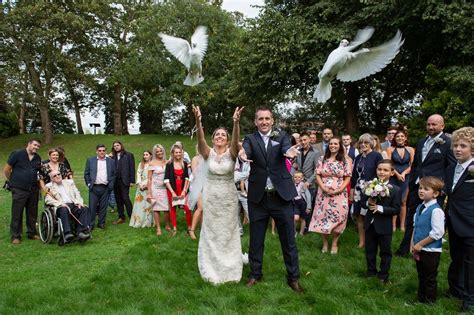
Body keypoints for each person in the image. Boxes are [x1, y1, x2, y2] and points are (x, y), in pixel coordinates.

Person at [241, 106, 303, 293]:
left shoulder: (282, 137)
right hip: (258, 198)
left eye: (267, 118)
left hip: (281, 196)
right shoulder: (251, 139)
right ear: (255, 121)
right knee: (256, 239)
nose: (264, 122)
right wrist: (243, 155)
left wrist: (289, 152)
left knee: (288, 240)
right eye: (260, 119)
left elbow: (286, 149)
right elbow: (246, 151)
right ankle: (255, 274)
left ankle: (293, 277)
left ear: (272, 120)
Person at [192, 105, 245, 284]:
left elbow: (236, 140)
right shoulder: (208, 153)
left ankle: (230, 266)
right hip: (211, 197)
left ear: (227, 139)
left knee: (228, 231)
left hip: (228, 198)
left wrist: (236, 123)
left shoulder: (232, 153)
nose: (220, 137)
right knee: (212, 231)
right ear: (213, 139)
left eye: (223, 134)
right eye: (217, 135)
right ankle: (211, 265)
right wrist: (198, 121)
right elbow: (200, 141)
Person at [395, 114, 456, 257]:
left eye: (434, 124)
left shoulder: (448, 143)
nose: (430, 127)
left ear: (442, 126)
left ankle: (426, 250)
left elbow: (451, 167)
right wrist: (413, 182)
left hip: (435, 190)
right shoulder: (422, 141)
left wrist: (443, 190)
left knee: (431, 220)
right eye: (429, 124)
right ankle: (405, 249)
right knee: (412, 218)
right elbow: (416, 164)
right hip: (418, 187)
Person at [445, 127, 474, 311]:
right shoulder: (450, 169)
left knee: (471, 264)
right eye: (455, 145)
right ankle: (456, 289)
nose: (457, 149)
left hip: (471, 224)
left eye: (463, 146)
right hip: (454, 222)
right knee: (456, 258)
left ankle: (470, 300)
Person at [308, 137, 352, 254]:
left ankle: (335, 243)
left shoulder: (345, 160)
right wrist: (323, 187)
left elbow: (347, 177)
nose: (333, 145)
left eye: (335, 144)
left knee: (339, 217)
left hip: (339, 193)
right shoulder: (323, 159)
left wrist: (339, 189)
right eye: (331, 144)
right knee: (324, 218)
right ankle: (325, 243)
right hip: (323, 193)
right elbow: (317, 174)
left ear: (340, 145)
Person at [364, 159, 400, 284]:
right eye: (380, 169)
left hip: (384, 226)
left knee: (385, 251)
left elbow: (396, 209)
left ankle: (383, 275)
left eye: (385, 170)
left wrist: (380, 208)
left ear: (391, 172)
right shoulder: (369, 185)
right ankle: (370, 271)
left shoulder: (395, 190)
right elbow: (363, 202)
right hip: (370, 223)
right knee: (370, 249)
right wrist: (367, 202)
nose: (382, 172)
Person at [411, 176, 445, 304]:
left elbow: (437, 233)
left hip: (431, 250)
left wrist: (420, 244)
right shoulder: (420, 207)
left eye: (426, 189)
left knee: (429, 277)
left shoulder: (436, 211)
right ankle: (421, 299)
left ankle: (430, 302)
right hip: (419, 248)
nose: (421, 191)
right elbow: (416, 226)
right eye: (420, 188)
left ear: (435, 193)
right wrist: (413, 245)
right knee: (421, 275)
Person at [3, 138, 42, 244]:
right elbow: (7, 169)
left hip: (33, 189)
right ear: (29, 144)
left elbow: (39, 174)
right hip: (19, 188)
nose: (36, 147)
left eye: (38, 146)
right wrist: (14, 181)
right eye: (35, 145)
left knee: (32, 212)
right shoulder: (17, 154)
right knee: (17, 212)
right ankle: (15, 235)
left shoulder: (38, 158)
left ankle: (32, 233)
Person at [351, 133, 383, 248]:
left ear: (371, 144)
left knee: (369, 216)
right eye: (361, 143)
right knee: (359, 216)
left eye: (366, 142)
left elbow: (381, 173)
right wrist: (352, 191)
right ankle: (362, 241)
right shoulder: (358, 157)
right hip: (358, 191)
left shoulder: (377, 156)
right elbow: (354, 175)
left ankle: (372, 242)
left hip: (371, 189)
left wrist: (376, 189)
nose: (363, 145)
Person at [44, 170, 91, 242]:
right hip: (61, 206)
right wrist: (60, 204)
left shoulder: (69, 183)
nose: (57, 176)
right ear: (52, 179)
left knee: (84, 208)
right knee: (64, 209)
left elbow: (77, 193)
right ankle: (67, 233)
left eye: (58, 174)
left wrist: (79, 202)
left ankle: (81, 232)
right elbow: (47, 200)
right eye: (54, 176)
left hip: (73, 204)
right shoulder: (49, 186)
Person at [386, 129, 414, 231]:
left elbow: (412, 165)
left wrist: (404, 173)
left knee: (403, 201)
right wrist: (397, 174)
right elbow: (389, 164)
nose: (400, 138)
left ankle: (402, 225)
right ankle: (393, 225)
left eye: (402, 136)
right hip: (394, 177)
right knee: (393, 201)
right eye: (397, 136)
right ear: (395, 138)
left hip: (406, 177)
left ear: (405, 138)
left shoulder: (410, 149)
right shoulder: (390, 149)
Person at [294, 131, 321, 233]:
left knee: (308, 205)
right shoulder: (298, 151)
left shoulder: (315, 152)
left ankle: (307, 227)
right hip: (299, 181)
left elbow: (317, 170)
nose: (303, 142)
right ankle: (301, 225)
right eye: (301, 140)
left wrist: (309, 181)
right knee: (299, 203)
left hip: (310, 183)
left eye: (305, 140)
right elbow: (296, 165)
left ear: (309, 140)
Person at [84, 144, 116, 229]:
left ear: (105, 151)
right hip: (94, 187)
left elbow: (113, 175)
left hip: (105, 187)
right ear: (96, 151)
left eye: (103, 150)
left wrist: (111, 185)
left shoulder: (111, 161)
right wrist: (88, 184)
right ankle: (91, 224)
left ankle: (101, 223)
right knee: (92, 207)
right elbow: (86, 173)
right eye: (100, 150)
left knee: (103, 207)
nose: (101, 152)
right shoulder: (91, 160)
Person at [164, 144, 192, 236]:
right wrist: (172, 192)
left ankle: (189, 227)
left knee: (187, 209)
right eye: (176, 152)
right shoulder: (169, 164)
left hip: (182, 188)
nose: (178, 154)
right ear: (172, 153)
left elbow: (187, 178)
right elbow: (166, 180)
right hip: (172, 189)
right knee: (173, 208)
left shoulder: (184, 163)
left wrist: (184, 190)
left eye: (180, 152)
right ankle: (175, 228)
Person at [147, 144, 170, 236]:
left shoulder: (167, 162)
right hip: (155, 188)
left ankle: (167, 225)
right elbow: (149, 178)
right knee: (156, 208)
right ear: (154, 153)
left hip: (165, 188)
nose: (159, 153)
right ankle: (158, 228)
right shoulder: (152, 163)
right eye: (157, 151)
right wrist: (149, 192)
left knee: (167, 208)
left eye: (161, 151)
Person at [111, 141, 135, 225]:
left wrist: (132, 181)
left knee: (125, 198)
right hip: (115, 181)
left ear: (121, 145)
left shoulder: (128, 155)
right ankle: (121, 217)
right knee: (118, 200)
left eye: (118, 145)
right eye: (115, 146)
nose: (116, 147)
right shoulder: (112, 157)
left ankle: (132, 216)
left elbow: (132, 168)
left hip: (124, 180)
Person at [129, 150, 153, 228]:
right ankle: (138, 220)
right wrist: (139, 183)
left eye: (147, 154)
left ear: (151, 155)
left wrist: (147, 185)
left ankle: (147, 222)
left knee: (147, 204)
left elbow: (153, 176)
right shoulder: (141, 164)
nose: (145, 156)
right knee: (139, 204)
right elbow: (138, 174)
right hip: (141, 185)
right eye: (144, 155)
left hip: (149, 186)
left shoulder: (153, 164)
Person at [188, 150, 204, 240]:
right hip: (197, 185)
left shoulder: (208, 159)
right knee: (200, 208)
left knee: (204, 210)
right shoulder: (195, 158)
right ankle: (191, 230)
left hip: (207, 186)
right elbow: (194, 172)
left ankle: (203, 230)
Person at [292, 171, 312, 236]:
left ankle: (301, 233)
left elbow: (308, 196)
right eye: (295, 177)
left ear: (302, 178)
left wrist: (308, 207)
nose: (297, 178)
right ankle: (294, 232)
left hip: (302, 203)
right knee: (295, 218)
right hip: (295, 203)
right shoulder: (291, 185)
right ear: (293, 178)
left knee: (303, 219)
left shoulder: (303, 185)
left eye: (299, 177)